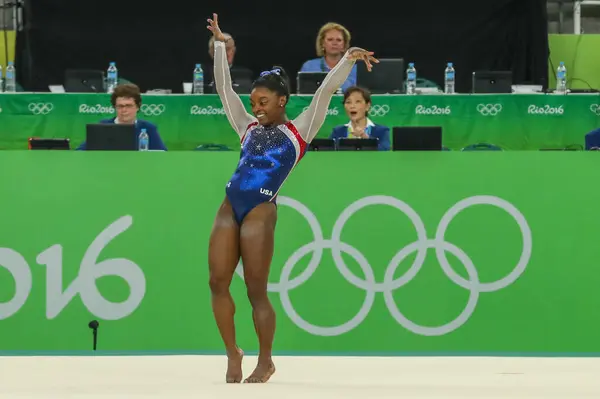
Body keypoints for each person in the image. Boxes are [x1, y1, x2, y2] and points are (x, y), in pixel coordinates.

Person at [206, 13, 377, 384]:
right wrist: (220, 45)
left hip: (261, 209)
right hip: (229, 205)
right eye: (253, 101)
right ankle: (232, 352)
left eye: (264, 101)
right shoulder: (246, 125)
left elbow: (324, 93)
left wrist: (348, 60)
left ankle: (265, 360)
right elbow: (224, 90)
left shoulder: (299, 131)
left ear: (282, 100)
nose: (256, 107)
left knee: (255, 289)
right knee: (217, 282)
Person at [76, 83, 167, 151]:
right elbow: (80, 152)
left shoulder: (148, 128)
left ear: (137, 106)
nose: (124, 110)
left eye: (128, 106)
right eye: (120, 106)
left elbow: (162, 154)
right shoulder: (103, 127)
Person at [299, 22, 355, 93]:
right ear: (322, 43)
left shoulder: (354, 68)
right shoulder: (309, 66)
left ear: (344, 45)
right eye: (330, 39)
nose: (334, 43)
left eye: (339, 40)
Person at [329, 86, 390, 151]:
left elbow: (385, 150)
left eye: (357, 102)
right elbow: (328, 152)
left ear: (367, 106)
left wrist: (365, 137)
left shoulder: (382, 131)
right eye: (348, 102)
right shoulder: (338, 131)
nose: (352, 106)